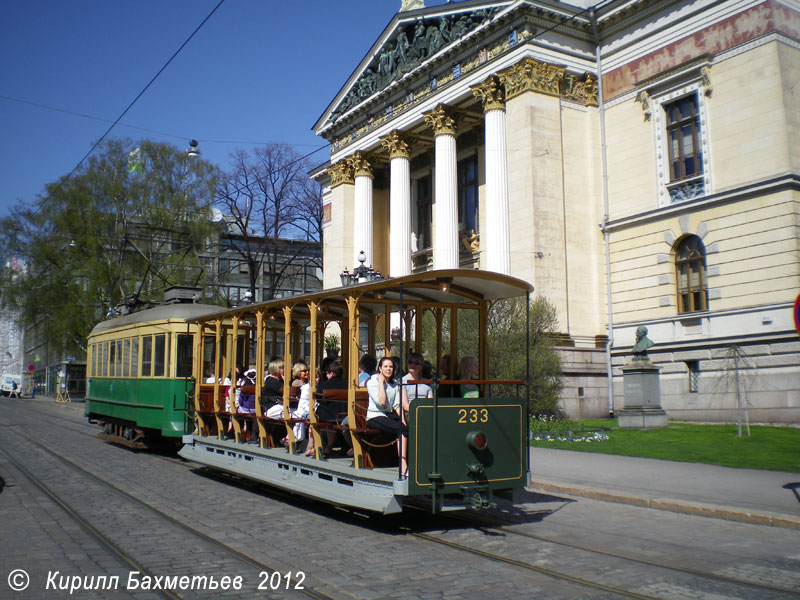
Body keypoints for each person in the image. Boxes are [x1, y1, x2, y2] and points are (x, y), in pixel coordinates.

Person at [366, 356, 404, 470]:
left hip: (389, 416)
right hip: (375, 416)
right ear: (380, 368)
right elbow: (381, 402)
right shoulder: (372, 382)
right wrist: (381, 383)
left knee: (408, 427)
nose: (388, 369)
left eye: (391, 366)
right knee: (401, 429)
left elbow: (397, 404)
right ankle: (402, 463)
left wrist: (403, 420)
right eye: (385, 366)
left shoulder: (395, 384)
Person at [400, 352, 432, 476]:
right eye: (410, 362)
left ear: (421, 366)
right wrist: (419, 410)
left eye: (416, 363)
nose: (412, 365)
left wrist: (424, 412)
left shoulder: (426, 383)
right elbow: (405, 405)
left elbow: (430, 401)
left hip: (424, 413)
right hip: (411, 413)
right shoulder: (403, 381)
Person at [314, 361, 348, 455]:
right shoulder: (348, 384)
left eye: (327, 373)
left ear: (332, 373)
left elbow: (318, 399)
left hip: (328, 417)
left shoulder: (324, 385)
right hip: (344, 416)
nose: (326, 375)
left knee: (323, 418)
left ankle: (326, 445)